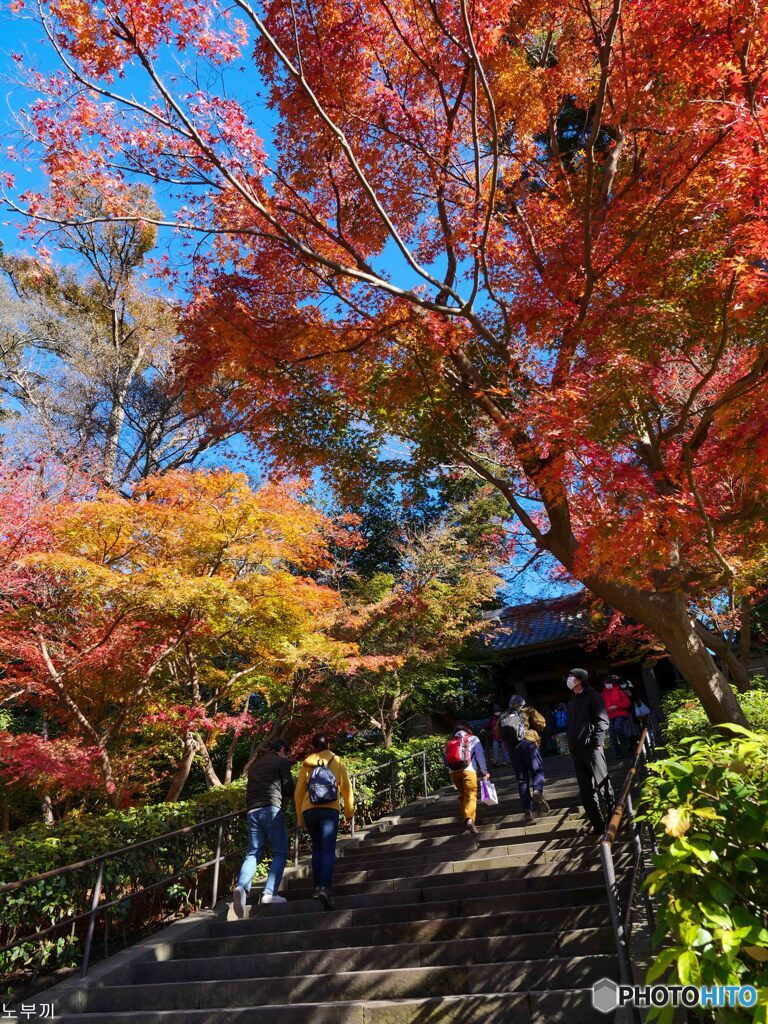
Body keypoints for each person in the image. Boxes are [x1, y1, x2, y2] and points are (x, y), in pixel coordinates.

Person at [233, 737, 294, 918]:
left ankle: (242, 887)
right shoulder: (281, 762)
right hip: (271, 809)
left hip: (252, 811)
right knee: (280, 851)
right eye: (286, 751)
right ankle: (269, 893)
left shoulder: (255, 766)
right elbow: (288, 788)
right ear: (281, 749)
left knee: (253, 852)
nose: (287, 754)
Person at [294, 732, 354, 912]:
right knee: (328, 849)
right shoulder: (336, 760)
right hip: (330, 809)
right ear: (328, 744)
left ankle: (316, 887)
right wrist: (349, 812)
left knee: (317, 848)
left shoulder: (306, 764)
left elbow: (298, 792)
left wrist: (300, 818)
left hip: (309, 810)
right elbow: (347, 788)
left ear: (312, 746)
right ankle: (325, 889)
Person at [566, 668, 615, 835]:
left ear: (579, 679)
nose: (568, 679)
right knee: (586, 791)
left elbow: (602, 720)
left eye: (571, 676)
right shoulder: (571, 702)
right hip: (576, 751)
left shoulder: (593, 697)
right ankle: (598, 825)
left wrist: (596, 742)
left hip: (591, 748)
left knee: (603, 786)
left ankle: (613, 821)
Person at [501, 695, 550, 825]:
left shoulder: (504, 714)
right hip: (528, 743)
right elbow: (541, 723)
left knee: (522, 780)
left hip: (513, 749)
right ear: (522, 703)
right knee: (537, 772)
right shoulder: (528, 710)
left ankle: (527, 810)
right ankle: (537, 791)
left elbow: (498, 734)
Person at [443, 721, 490, 835]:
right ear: (468, 729)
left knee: (463, 796)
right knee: (471, 795)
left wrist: (451, 772)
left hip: (454, 772)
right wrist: (485, 771)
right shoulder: (473, 738)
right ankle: (469, 819)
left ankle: (466, 818)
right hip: (468, 771)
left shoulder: (451, 742)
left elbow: (445, 759)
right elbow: (480, 755)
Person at [601, 675, 633, 758]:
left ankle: (626, 745)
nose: (607, 684)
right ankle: (617, 753)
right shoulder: (603, 694)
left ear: (612, 683)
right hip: (609, 716)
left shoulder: (619, 690)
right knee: (611, 734)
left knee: (618, 728)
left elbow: (627, 703)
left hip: (620, 713)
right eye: (606, 683)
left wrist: (617, 706)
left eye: (609, 683)